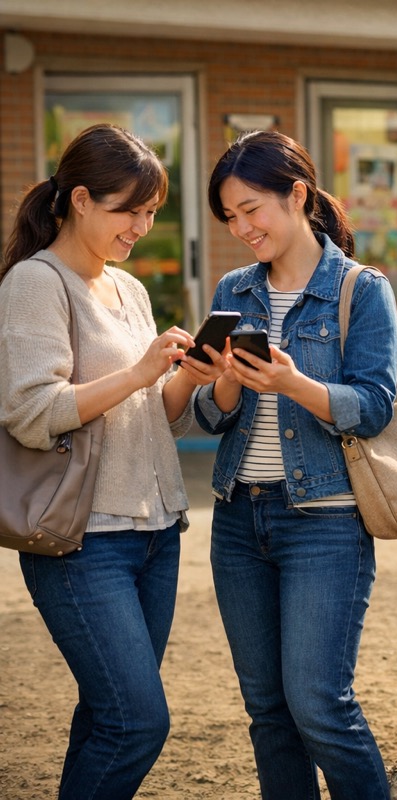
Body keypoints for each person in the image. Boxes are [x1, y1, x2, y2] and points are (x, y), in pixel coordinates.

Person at [0, 124, 222, 798]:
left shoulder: (127, 290)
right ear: (81, 199)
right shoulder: (36, 283)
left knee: (106, 714)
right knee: (136, 722)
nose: (143, 226)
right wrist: (136, 372)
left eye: (153, 211)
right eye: (132, 209)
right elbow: (32, 412)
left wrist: (189, 376)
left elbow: (156, 415)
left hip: (156, 535)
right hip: (82, 543)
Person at [195, 130, 396, 798]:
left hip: (325, 521)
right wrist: (224, 382)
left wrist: (291, 385)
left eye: (252, 209)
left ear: (298, 195)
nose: (242, 228)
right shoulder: (233, 288)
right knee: (268, 711)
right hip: (236, 520)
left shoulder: (361, 290)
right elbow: (209, 412)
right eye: (230, 216)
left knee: (319, 705)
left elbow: (372, 406)